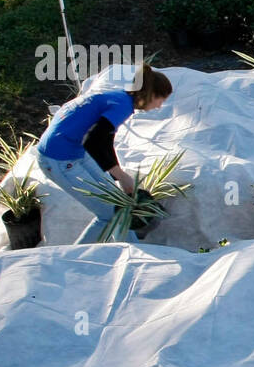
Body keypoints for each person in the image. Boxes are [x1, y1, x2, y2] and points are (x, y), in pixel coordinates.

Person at [35, 67, 173, 243]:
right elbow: (95, 141)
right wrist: (121, 176)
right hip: (59, 159)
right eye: (160, 100)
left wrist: (118, 176)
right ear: (149, 94)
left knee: (119, 207)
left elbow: (103, 142)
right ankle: (73, 260)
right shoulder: (123, 105)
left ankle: (135, 253)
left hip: (75, 151)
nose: (159, 106)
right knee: (110, 215)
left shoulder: (118, 98)